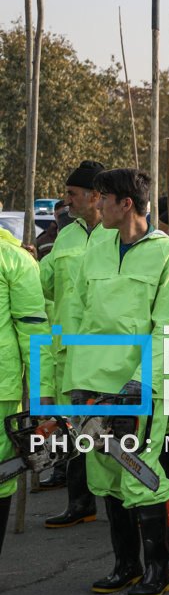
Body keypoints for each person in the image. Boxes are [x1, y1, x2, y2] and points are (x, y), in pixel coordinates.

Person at [63, 168, 169, 595]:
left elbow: (168, 327)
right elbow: (78, 320)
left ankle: (159, 571)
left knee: (138, 471)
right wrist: (72, 385)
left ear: (127, 204)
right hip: (92, 383)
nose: (95, 205)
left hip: (139, 387)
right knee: (105, 474)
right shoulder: (96, 252)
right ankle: (125, 565)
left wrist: (142, 383)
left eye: (103, 198)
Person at [37, 160, 109, 523]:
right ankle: (80, 503)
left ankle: (120, 503)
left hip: (105, 354)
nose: (65, 201)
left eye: (71, 194)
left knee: (106, 431)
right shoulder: (66, 234)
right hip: (66, 350)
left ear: (96, 196)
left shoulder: (117, 237)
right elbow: (45, 288)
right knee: (71, 428)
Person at [0, 217, 50, 557]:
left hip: (3, 389)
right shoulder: (15, 258)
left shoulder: (13, 259)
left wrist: (42, 396)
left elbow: (33, 330)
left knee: (1, 478)